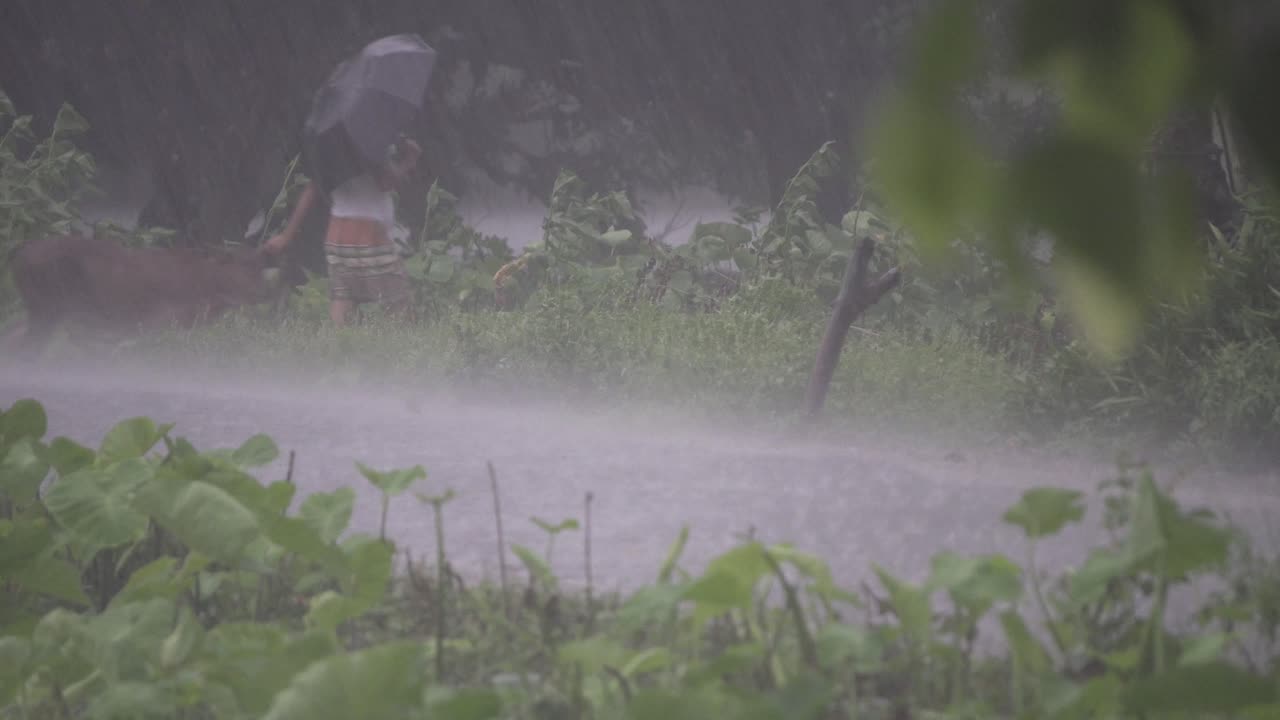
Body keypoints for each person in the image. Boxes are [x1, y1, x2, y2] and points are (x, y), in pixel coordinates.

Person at [264, 136, 422, 327]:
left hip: (338, 243)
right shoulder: (368, 138)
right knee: (402, 314)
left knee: (343, 312)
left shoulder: (332, 141)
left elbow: (313, 188)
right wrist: (409, 160)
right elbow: (385, 182)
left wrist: (286, 236)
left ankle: (337, 345)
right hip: (369, 241)